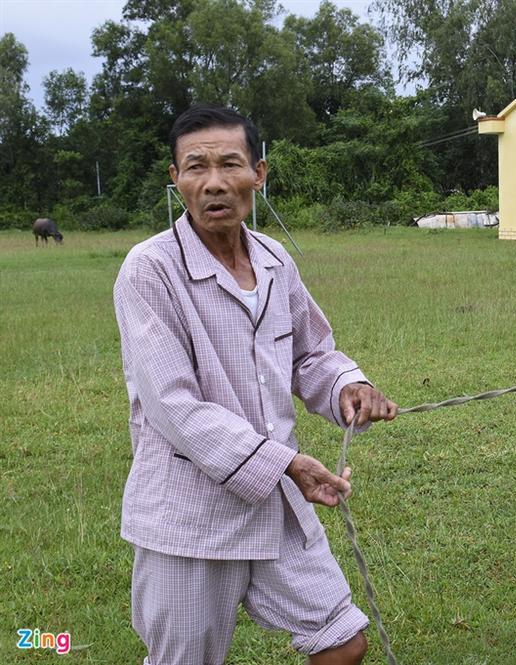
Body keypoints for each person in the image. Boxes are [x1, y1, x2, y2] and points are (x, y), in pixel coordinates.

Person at [113, 104, 397, 665]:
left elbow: (310, 352)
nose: (213, 183)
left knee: (343, 642)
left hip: (276, 506)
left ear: (258, 174)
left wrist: (347, 385)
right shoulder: (149, 270)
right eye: (195, 167)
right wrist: (286, 463)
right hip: (190, 515)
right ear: (175, 179)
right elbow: (174, 409)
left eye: (230, 164)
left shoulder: (272, 258)